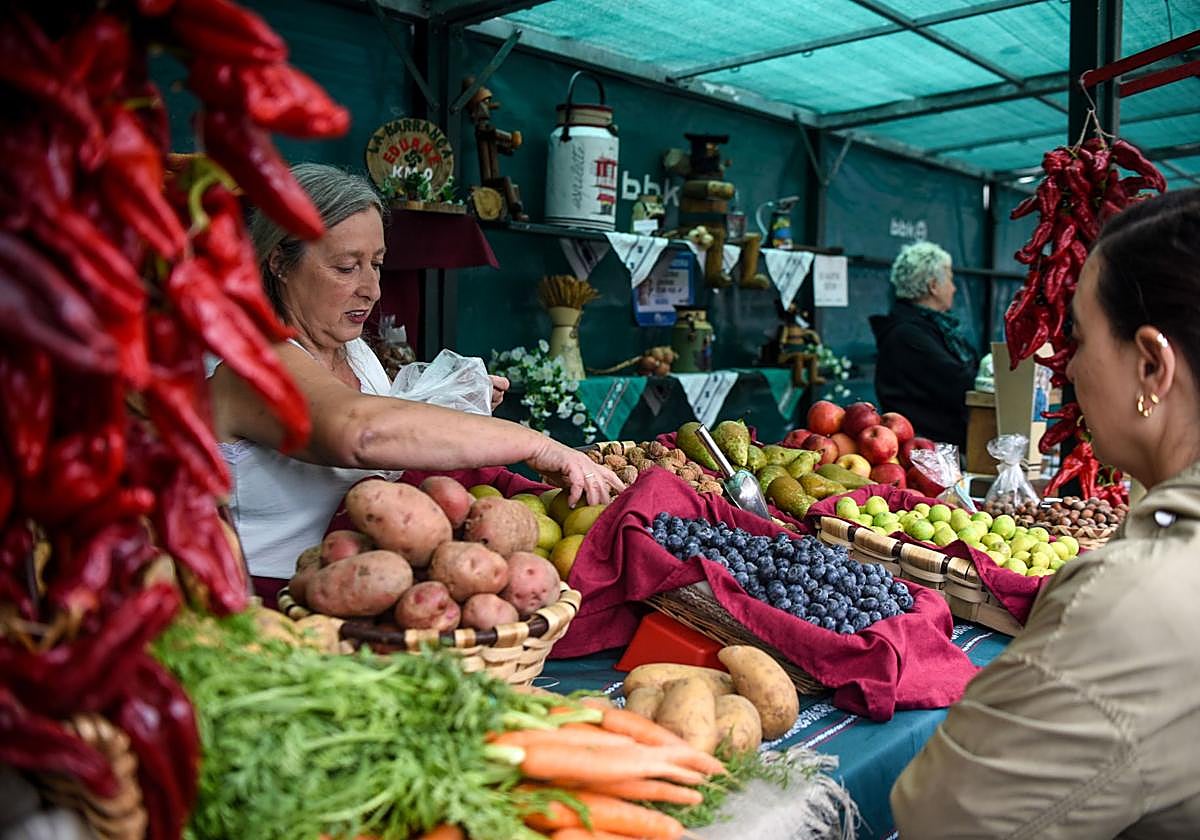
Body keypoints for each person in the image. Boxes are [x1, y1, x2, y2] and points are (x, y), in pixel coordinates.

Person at [891, 188, 1200, 837]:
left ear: (1152, 365)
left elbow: (939, 817)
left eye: (1080, 341)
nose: (1067, 369)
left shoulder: (1134, 602)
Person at [210, 163, 622, 595]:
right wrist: (535, 443)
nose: (372, 289)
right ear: (279, 261)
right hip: (270, 610)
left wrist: (449, 402)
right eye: (347, 267)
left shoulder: (356, 353)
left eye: (377, 264)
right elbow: (359, 432)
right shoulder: (247, 361)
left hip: (374, 592)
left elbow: (384, 426)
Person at [869, 242, 978, 446]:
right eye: (951, 280)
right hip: (927, 451)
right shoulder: (908, 335)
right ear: (933, 286)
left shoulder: (934, 329)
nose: (954, 289)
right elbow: (959, 382)